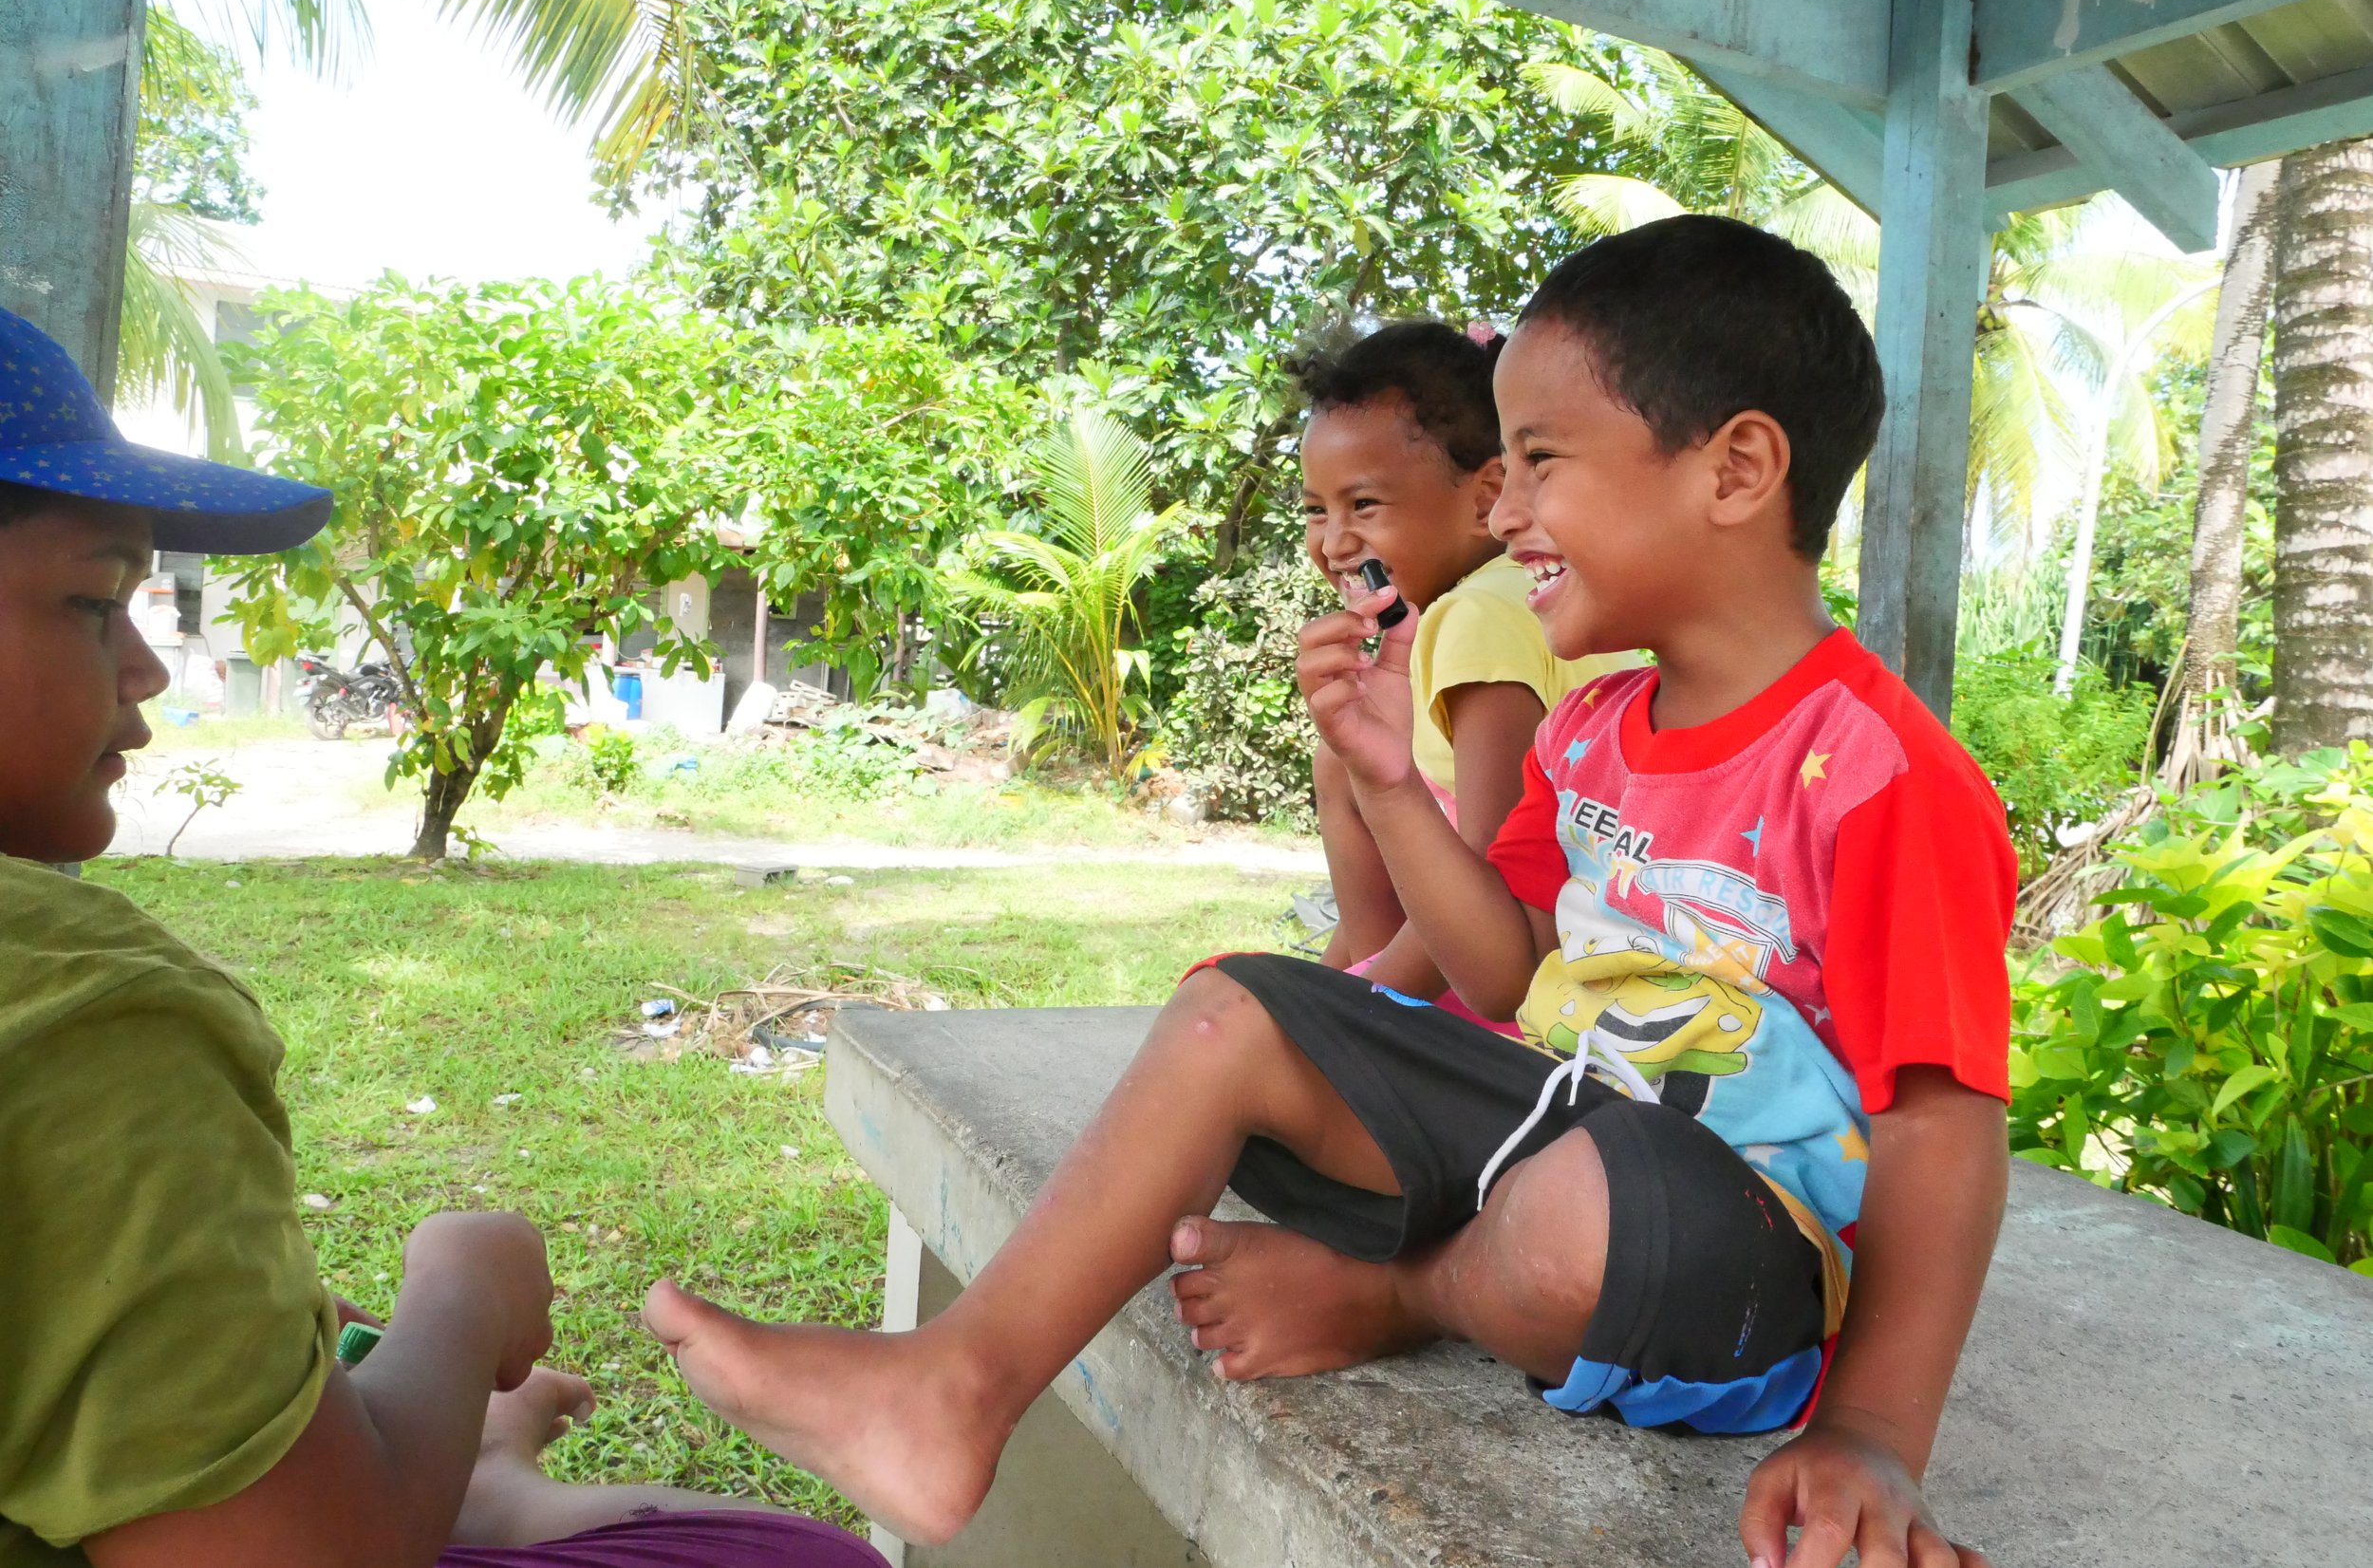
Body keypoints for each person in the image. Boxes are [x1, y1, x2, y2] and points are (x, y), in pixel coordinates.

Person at [642, 217, 2009, 1568]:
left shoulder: (1878, 772)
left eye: (1539, 460)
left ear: (1739, 467)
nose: (1505, 505)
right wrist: (1391, 786)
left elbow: (1942, 1129)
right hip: (1558, 1128)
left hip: (1728, 1246)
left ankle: (1397, 1291)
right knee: (1230, 1013)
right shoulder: (1592, 731)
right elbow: (1498, 971)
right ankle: (953, 1387)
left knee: (1569, 1219)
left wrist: (1876, 1428)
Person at [0, 307, 884, 1568]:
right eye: (92, 600)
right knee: (806, 1560)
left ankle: (477, 1474)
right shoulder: (79, 1019)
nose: (144, 665)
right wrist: (461, 1298)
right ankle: (475, 1473)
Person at [1295, 320, 1631, 1031]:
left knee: (1340, 765)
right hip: (1549, 953)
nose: (1332, 542)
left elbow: (1495, 881)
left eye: (1363, 505)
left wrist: (1351, 1013)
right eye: (1314, 510)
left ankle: (1371, 1015)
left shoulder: (1476, 617)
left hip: (1505, 997)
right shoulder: (1545, 592)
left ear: (1485, 499)